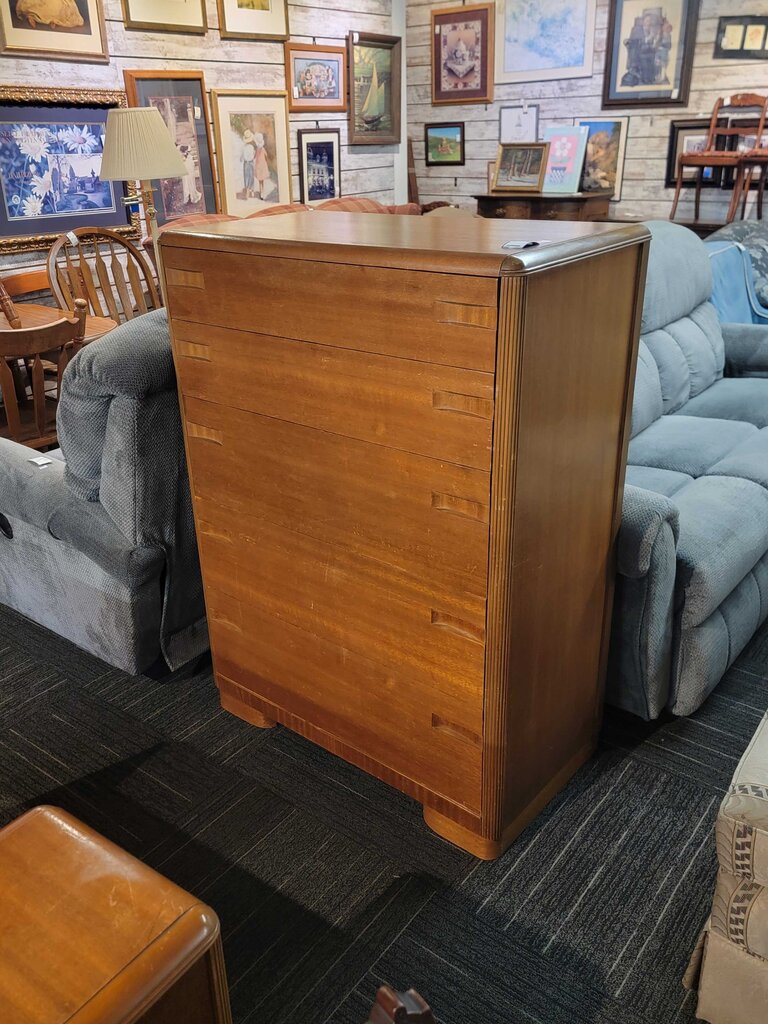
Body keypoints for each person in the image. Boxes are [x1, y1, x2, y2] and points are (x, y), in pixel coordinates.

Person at [253, 132, 270, 200]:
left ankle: (261, 193)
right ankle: (262, 192)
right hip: (263, 166)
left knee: (260, 181)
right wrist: (265, 160)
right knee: (262, 180)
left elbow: (254, 157)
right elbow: (266, 155)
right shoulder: (263, 149)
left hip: (258, 166)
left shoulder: (257, 149)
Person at [241, 129, 256, 198]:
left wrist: (242, 158)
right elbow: (254, 155)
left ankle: (247, 191)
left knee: (246, 177)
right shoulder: (252, 147)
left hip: (246, 163)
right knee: (251, 176)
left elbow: (241, 158)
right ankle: (251, 191)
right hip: (251, 162)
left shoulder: (244, 147)